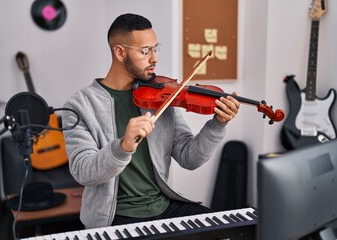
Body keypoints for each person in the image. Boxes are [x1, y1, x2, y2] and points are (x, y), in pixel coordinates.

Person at [62, 13, 240, 229]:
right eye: (145, 51)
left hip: (164, 207)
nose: (154, 58)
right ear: (120, 52)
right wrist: (122, 147)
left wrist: (217, 124)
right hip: (115, 218)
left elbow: (189, 158)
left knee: (224, 229)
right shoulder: (80, 106)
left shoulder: (161, 94)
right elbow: (83, 171)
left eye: (156, 49)